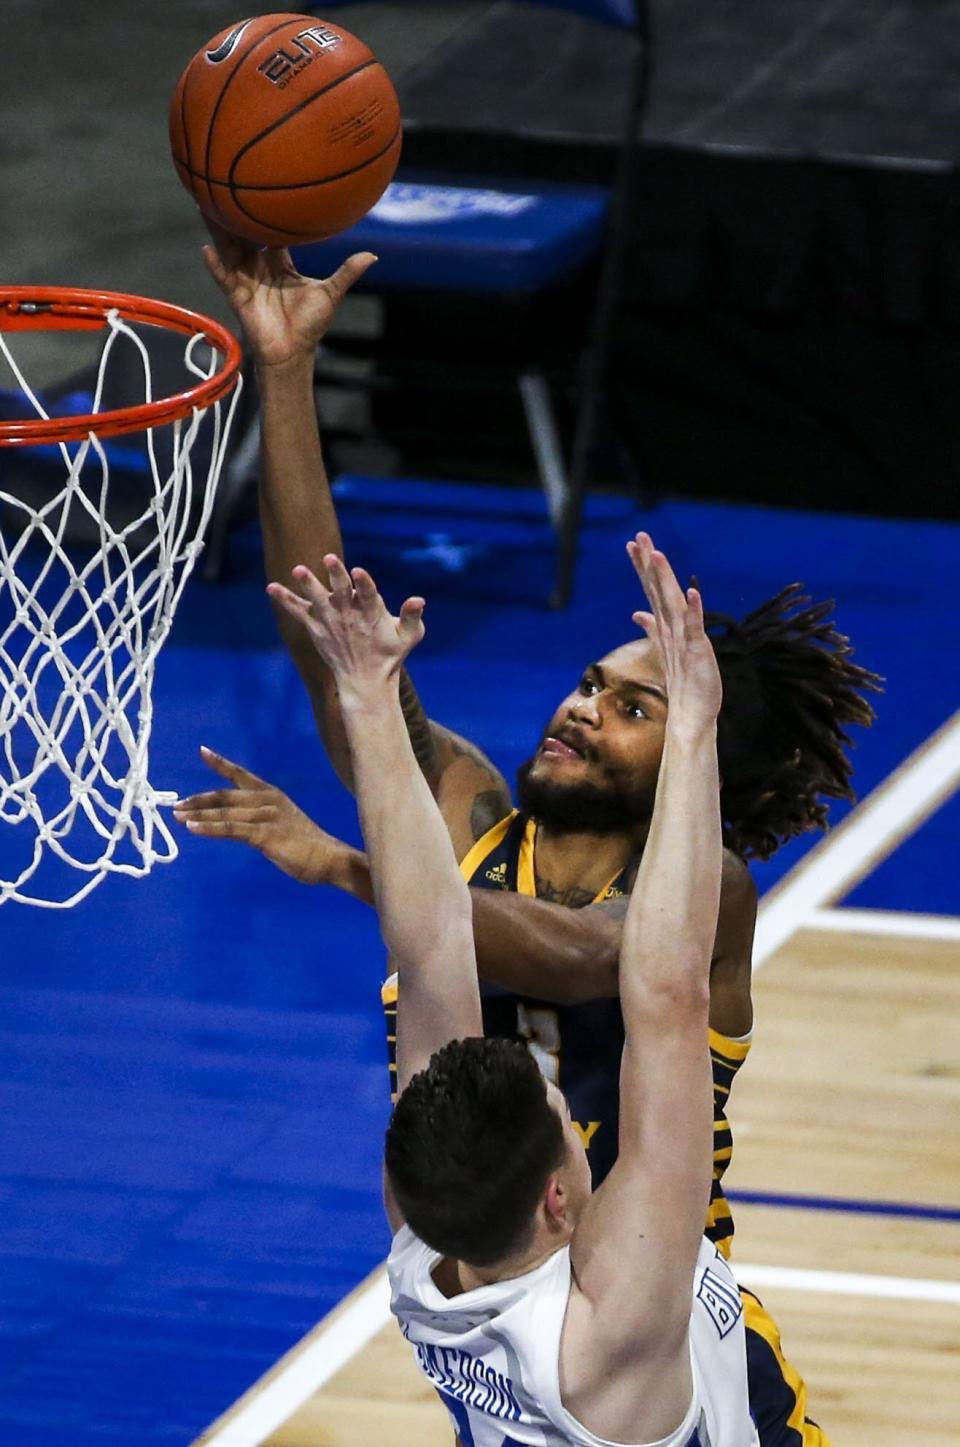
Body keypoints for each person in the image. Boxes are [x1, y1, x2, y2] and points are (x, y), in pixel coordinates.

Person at [177, 232, 880, 1443]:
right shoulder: (472, 823)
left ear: (692, 768)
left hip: (622, 1330)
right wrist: (285, 374)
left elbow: (574, 953)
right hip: (563, 1327)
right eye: (592, 681)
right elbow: (328, 642)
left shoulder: (705, 887)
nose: (580, 705)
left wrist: (348, 862)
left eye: (631, 705)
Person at [267, 531, 760, 1447]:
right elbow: (667, 1002)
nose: (573, 1119)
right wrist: (692, 725)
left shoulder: (432, 1255)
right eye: (561, 1118)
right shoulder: (611, 1332)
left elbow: (429, 945)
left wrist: (372, 703)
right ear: (560, 1200)